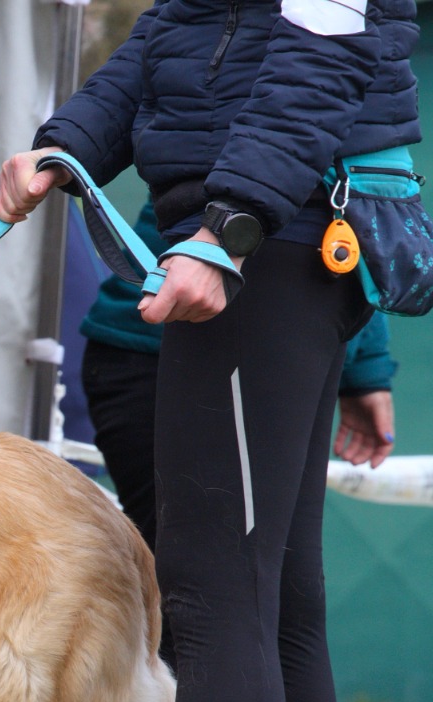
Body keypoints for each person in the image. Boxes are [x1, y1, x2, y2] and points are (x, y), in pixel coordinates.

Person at [0, 0, 419, 702]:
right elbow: (175, 33)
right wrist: (65, 145)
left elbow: (319, 66)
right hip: (261, 235)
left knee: (221, 607)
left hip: (254, 247)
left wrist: (227, 228)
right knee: (276, 613)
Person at [80, 196, 398, 564]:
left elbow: (350, 198)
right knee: (208, 572)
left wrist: (365, 366)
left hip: (286, 352)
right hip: (164, 352)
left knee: (272, 572)